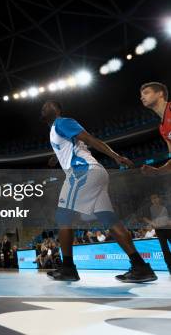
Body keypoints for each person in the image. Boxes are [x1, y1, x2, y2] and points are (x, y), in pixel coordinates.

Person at [41, 101, 157, 282]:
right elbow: (71, 147)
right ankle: (140, 266)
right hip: (95, 174)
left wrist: (116, 157)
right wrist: (55, 158)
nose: (46, 105)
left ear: (58, 111)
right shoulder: (56, 131)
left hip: (82, 172)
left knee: (63, 217)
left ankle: (68, 268)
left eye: (51, 104)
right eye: (44, 106)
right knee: (109, 220)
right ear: (42, 117)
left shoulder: (62, 122)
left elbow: (89, 139)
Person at [140, 82, 171, 273]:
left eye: (146, 92)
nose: (141, 96)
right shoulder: (162, 128)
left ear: (160, 93)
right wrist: (159, 171)